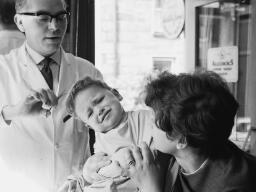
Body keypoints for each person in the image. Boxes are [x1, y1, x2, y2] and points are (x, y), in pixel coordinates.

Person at [0, 0, 103, 191]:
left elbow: (107, 135)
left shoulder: (87, 71)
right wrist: (13, 112)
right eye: (43, 18)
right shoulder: (3, 69)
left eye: (61, 17)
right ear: (20, 21)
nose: (55, 26)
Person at [125, 71, 256, 192]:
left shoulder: (234, 184)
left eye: (154, 121)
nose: (148, 123)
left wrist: (151, 188)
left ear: (181, 140)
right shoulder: (186, 149)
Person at [60, 76, 167, 192]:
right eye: (90, 114)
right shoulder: (99, 149)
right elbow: (99, 178)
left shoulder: (148, 118)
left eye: (99, 100)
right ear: (90, 126)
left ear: (116, 94)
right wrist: (87, 177)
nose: (98, 111)